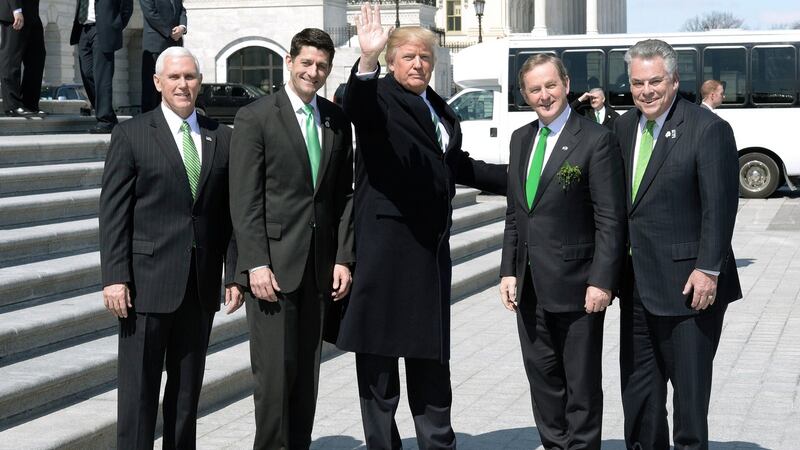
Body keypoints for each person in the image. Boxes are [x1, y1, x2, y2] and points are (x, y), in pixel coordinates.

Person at [335, 4, 507, 449]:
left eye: (425, 57)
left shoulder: (438, 107)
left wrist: (522, 178)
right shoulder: (380, 96)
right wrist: (367, 61)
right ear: (393, 62)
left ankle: (437, 442)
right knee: (379, 365)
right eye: (408, 56)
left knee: (430, 361)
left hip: (428, 256)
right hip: (387, 253)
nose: (418, 64)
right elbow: (358, 109)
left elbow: (455, 165)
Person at [99, 46, 243, 449]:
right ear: (158, 83)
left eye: (191, 77)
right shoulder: (130, 134)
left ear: (200, 82)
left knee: (185, 395)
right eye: (175, 77)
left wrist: (234, 273)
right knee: (138, 392)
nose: (183, 85)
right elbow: (113, 213)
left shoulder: (221, 137)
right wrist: (114, 278)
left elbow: (230, 214)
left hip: (198, 288)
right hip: (144, 287)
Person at [229, 28, 354, 450]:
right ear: (289, 61)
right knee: (274, 380)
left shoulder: (337, 120)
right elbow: (245, 200)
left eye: (321, 66)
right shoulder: (256, 116)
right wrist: (255, 263)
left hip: (318, 270)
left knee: (306, 375)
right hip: (273, 270)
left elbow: (342, 196)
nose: (313, 72)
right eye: (306, 63)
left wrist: (343, 257)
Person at [614, 39, 741, 450]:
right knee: (641, 397)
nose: (646, 91)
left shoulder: (708, 129)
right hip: (636, 288)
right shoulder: (621, 127)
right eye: (637, 83)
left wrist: (709, 269)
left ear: (674, 80)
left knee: (689, 404)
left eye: (655, 81)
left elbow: (719, 208)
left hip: (690, 290)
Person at [499, 54, 626, 450]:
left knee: (581, 386)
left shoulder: (595, 139)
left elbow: (610, 219)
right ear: (524, 94)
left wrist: (602, 281)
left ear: (566, 85)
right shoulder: (521, 139)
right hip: (530, 288)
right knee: (543, 382)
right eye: (535, 89)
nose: (544, 95)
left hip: (578, 289)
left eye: (550, 86)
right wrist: (508, 270)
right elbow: (515, 212)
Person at [70, 0, 133, 133]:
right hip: (83, 29)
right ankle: (108, 115)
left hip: (103, 29)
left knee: (102, 76)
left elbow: (126, 7)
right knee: (86, 73)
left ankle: (105, 120)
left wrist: (114, 26)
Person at [139, 0, 187, 113]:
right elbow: (150, 14)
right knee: (151, 87)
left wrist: (182, 27)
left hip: (174, 45)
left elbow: (181, 10)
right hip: (155, 45)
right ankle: (148, 120)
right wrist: (170, 32)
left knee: (172, 83)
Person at [0, 0, 45, 116]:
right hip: (14, 12)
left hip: (32, 14)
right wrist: (16, 10)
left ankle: (30, 104)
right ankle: (12, 106)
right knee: (11, 59)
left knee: (37, 58)